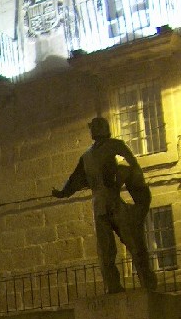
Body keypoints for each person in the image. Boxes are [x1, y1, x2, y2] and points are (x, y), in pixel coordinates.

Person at [52, 116, 156, 293]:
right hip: (99, 205)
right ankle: (112, 286)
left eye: (94, 127)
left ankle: (147, 282)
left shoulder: (115, 145)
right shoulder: (87, 156)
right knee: (105, 250)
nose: (92, 130)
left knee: (133, 241)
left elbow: (131, 167)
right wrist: (63, 192)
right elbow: (76, 178)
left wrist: (127, 182)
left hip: (114, 201)